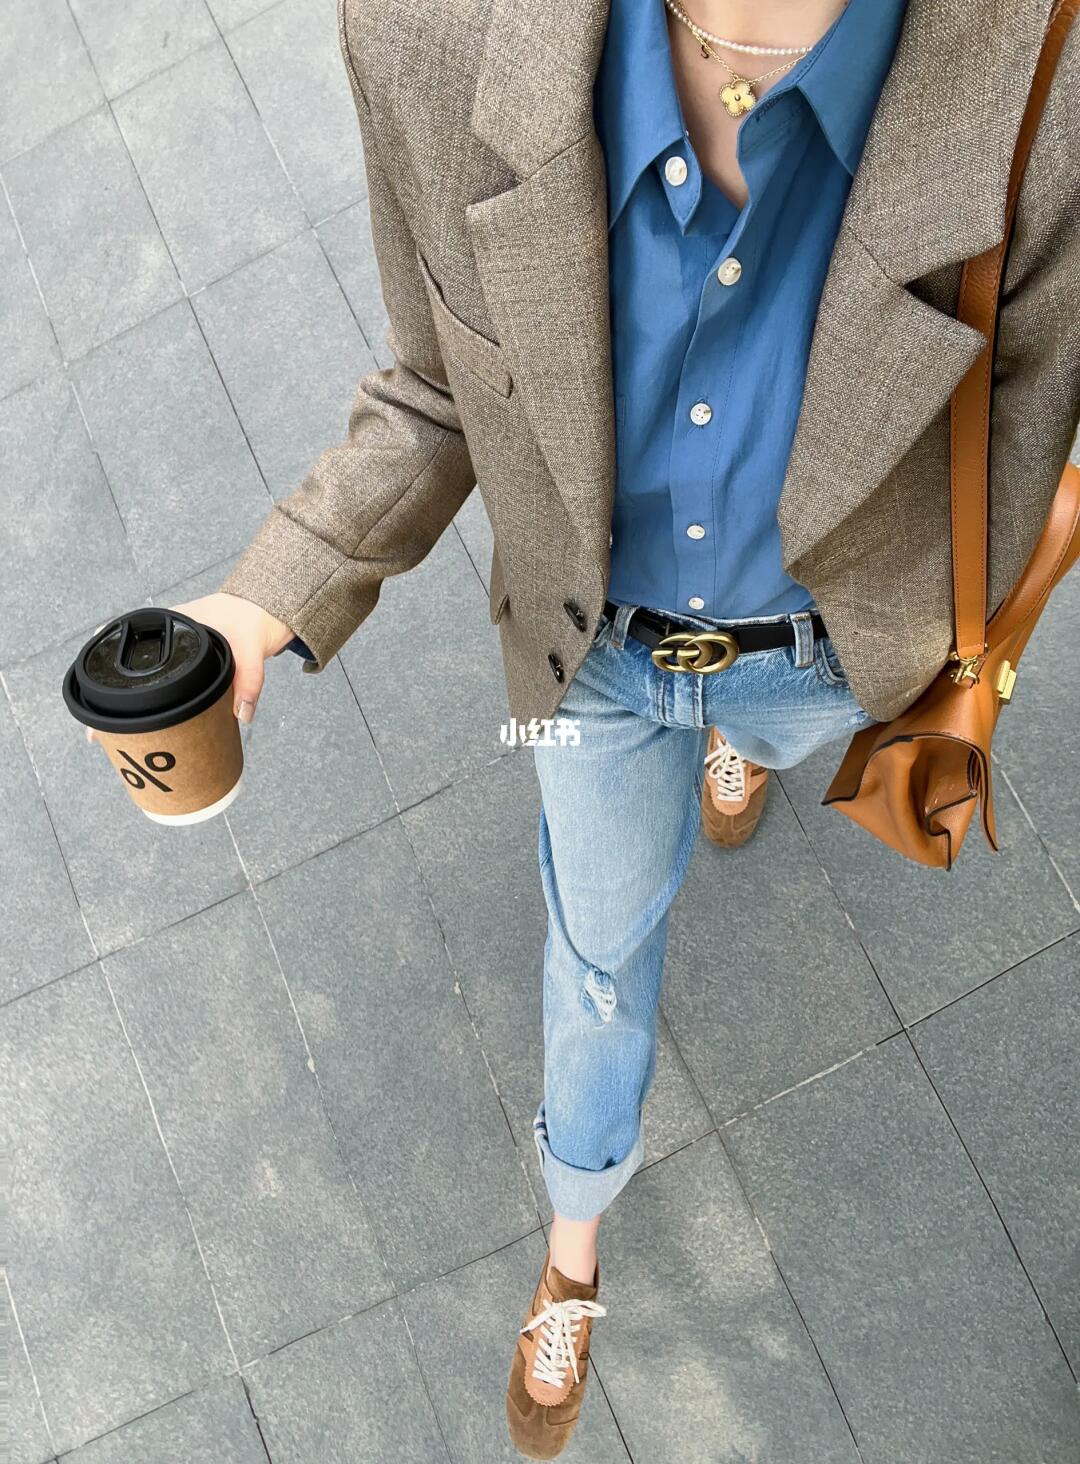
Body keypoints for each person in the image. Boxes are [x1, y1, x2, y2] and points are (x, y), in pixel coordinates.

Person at [168, 0, 1080, 1456]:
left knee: (761, 748)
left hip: (822, 658)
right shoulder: (429, 34)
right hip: (591, 667)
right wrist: (269, 594)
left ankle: (735, 753)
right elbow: (439, 384)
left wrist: (929, 632)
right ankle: (574, 1247)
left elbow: (1026, 417)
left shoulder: (1046, 76)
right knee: (597, 963)